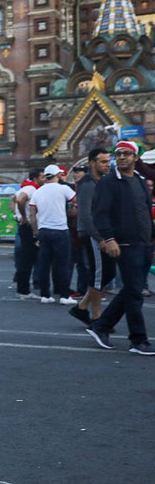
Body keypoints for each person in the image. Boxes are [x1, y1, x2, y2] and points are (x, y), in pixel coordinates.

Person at [84, 141, 155, 354]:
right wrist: (108, 238)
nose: (121, 157)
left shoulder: (141, 181)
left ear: (135, 158)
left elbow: (145, 211)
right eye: (118, 154)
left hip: (143, 243)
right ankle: (138, 340)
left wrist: (152, 240)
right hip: (123, 243)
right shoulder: (109, 182)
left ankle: (101, 325)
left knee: (132, 289)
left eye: (126, 154)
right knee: (134, 292)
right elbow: (100, 213)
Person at [69, 148, 113, 325]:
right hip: (93, 235)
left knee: (105, 274)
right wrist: (99, 238)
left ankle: (83, 309)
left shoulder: (100, 181)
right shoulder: (88, 184)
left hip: (102, 233)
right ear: (92, 163)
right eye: (103, 162)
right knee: (100, 274)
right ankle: (94, 315)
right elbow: (86, 215)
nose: (107, 165)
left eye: (108, 161)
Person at [28, 164, 77, 305]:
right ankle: (64, 295)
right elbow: (76, 200)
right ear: (57, 175)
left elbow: (32, 214)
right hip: (61, 230)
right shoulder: (64, 189)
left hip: (44, 231)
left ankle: (45, 294)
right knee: (63, 264)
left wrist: (35, 233)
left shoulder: (38, 192)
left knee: (44, 264)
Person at [14, 168, 45, 299]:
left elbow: (13, 200)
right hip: (28, 227)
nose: (44, 179)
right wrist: (24, 217)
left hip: (25, 226)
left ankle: (23, 288)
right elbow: (20, 200)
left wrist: (16, 215)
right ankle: (23, 290)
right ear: (35, 178)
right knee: (28, 259)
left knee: (26, 259)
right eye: (42, 177)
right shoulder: (31, 189)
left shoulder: (26, 188)